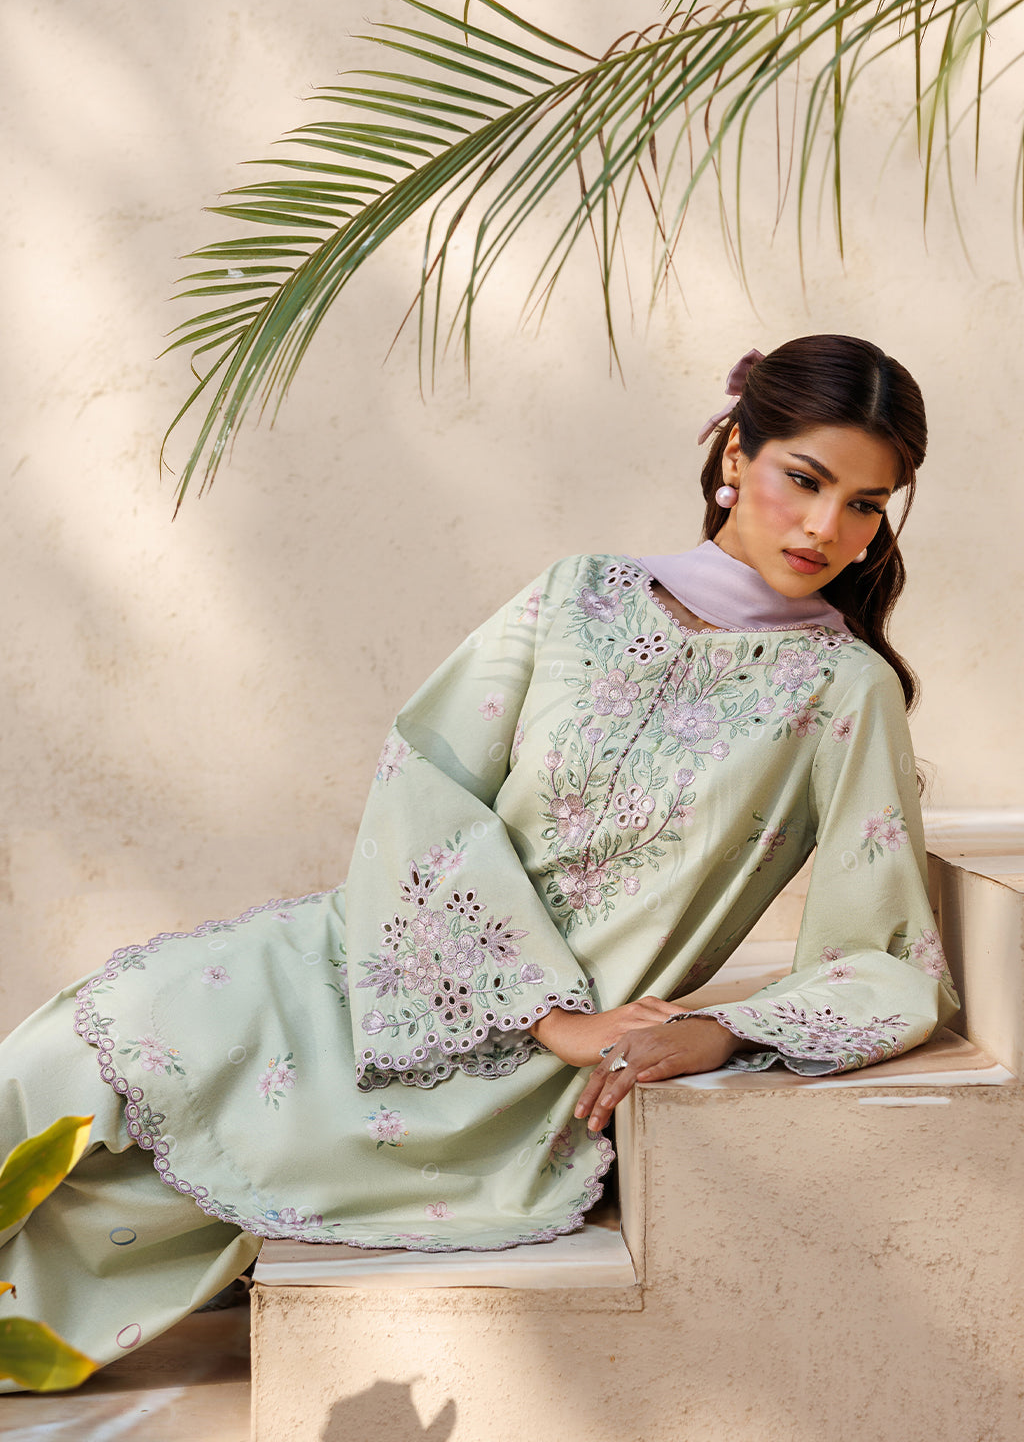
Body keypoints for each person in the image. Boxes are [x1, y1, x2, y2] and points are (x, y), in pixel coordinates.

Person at [0, 333, 957, 1384]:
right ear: (736, 453)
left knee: (134, 1196)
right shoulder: (578, 596)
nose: (826, 528)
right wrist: (544, 1009)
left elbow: (884, 956)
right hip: (381, 962)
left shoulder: (843, 692)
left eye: (865, 505)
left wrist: (717, 1030)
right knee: (73, 1051)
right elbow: (426, 784)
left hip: (511, 1087)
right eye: (804, 480)